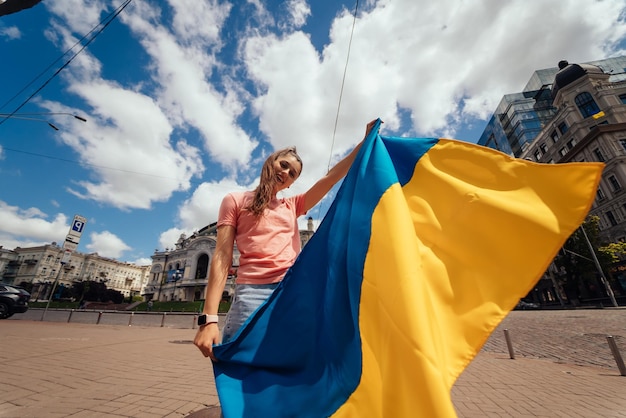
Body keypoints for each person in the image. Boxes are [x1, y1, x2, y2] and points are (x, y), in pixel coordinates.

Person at [194, 120, 378, 361]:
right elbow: (221, 256)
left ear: (291, 184)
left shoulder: (292, 206)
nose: (285, 172)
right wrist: (209, 319)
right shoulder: (235, 200)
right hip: (252, 292)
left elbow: (330, 178)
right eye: (283, 165)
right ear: (270, 161)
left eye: (292, 173)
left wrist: (363, 144)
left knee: (293, 361)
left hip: (292, 291)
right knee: (238, 361)